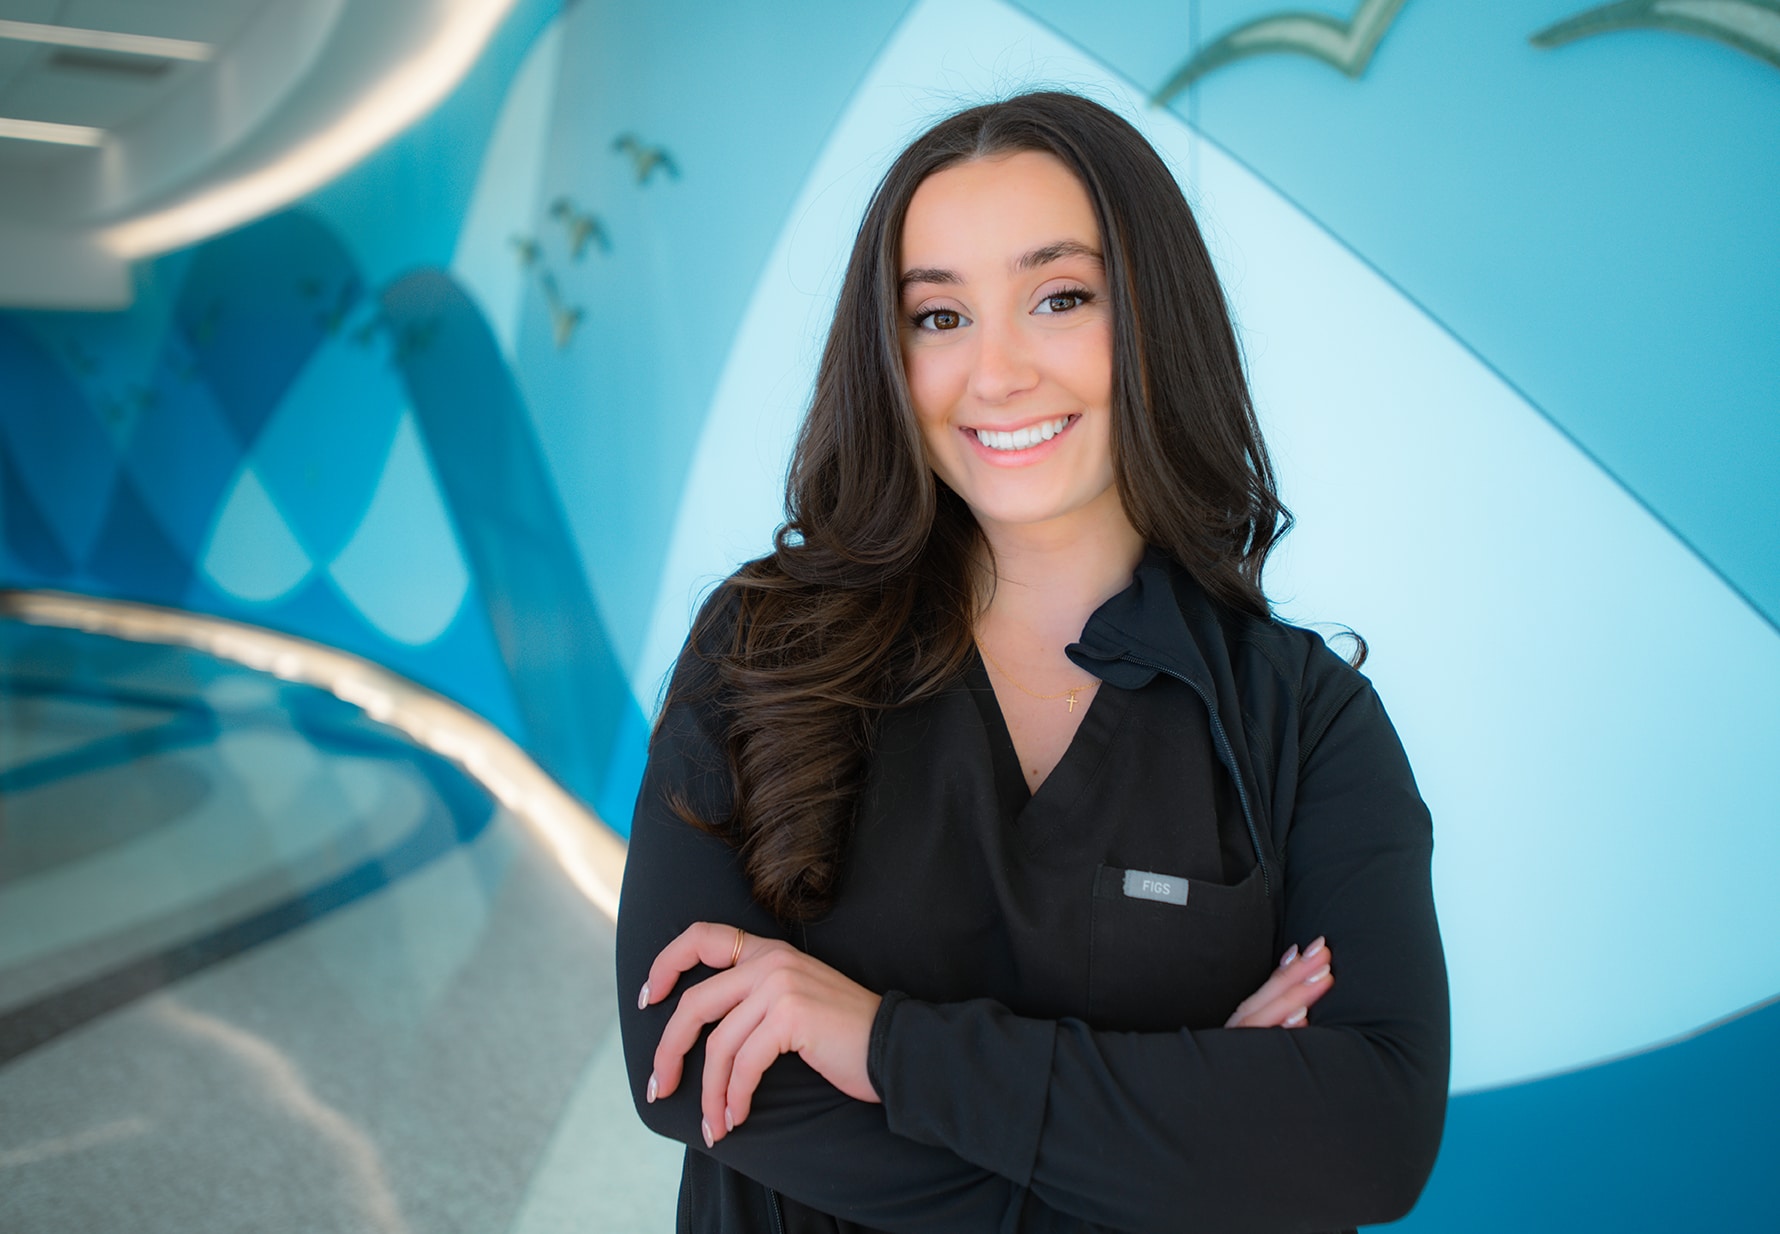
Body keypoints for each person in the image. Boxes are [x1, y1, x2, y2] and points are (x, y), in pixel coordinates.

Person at [616, 90, 1448, 1233]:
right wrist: (1178, 1148)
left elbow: (1366, 1135)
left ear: (1155, 317)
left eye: (1058, 298)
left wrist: (880, 1043)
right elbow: (692, 1071)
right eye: (938, 317)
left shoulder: (1302, 720)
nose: (995, 374)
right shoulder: (766, 651)